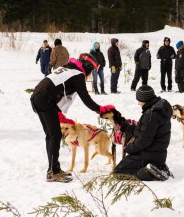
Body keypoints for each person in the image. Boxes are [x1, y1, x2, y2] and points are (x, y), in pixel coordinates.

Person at [30, 53, 114, 183]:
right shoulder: (77, 74)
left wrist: (59, 114)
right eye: (90, 70)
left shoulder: (68, 68)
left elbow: (54, 89)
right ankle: (54, 172)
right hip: (45, 99)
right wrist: (101, 109)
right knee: (55, 135)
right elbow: (86, 99)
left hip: (37, 97)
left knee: (51, 135)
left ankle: (53, 170)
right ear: (86, 66)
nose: (89, 74)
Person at [113, 85, 173, 181]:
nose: (138, 103)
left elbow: (143, 141)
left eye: (139, 100)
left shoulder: (151, 115)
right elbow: (144, 131)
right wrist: (125, 127)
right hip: (156, 154)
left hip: (147, 155)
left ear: (144, 99)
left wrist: (128, 148)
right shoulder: (157, 109)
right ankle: (156, 167)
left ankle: (151, 172)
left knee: (118, 171)